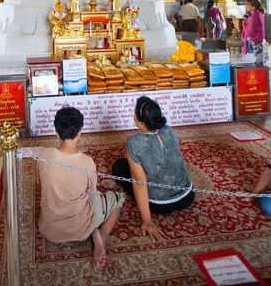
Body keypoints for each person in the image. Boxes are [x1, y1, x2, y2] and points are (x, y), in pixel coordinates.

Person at [38, 106, 125, 268]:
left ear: (56, 133)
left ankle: (95, 230)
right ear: (80, 133)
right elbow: (91, 191)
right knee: (118, 199)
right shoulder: (87, 162)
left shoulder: (44, 155)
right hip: (80, 228)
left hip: (49, 229)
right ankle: (102, 234)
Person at [112, 96, 194, 242]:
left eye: (134, 114)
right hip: (187, 195)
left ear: (142, 124)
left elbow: (139, 183)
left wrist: (147, 221)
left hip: (160, 205)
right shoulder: (168, 130)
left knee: (118, 167)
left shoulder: (134, 143)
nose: (133, 116)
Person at [242, 0, 265, 64]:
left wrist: (244, 25)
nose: (246, 6)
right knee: (258, 60)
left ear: (253, 7)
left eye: (248, 5)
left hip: (252, 43)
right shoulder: (259, 14)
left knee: (252, 62)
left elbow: (249, 31)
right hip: (259, 42)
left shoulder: (254, 17)